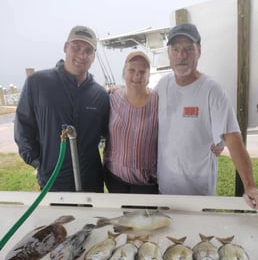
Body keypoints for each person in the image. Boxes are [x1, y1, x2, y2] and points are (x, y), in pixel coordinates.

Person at [155, 22, 258, 209]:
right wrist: (120, 90)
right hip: (165, 193)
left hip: (200, 196)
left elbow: (232, 137)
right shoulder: (162, 85)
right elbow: (142, 105)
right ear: (168, 54)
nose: (181, 55)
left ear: (199, 51)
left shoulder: (212, 90)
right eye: (176, 49)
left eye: (188, 49)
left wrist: (250, 185)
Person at [14, 25, 110, 192]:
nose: (82, 55)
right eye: (76, 47)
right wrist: (39, 162)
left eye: (88, 50)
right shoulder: (37, 83)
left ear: (94, 56)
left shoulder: (100, 95)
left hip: (91, 184)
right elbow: (23, 128)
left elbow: (108, 134)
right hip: (53, 184)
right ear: (66, 47)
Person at [103, 51, 159, 194]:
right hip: (115, 178)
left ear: (148, 76)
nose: (137, 75)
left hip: (146, 182)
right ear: (123, 74)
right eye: (132, 70)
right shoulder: (112, 97)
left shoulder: (159, 101)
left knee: (145, 217)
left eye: (142, 71)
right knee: (119, 216)